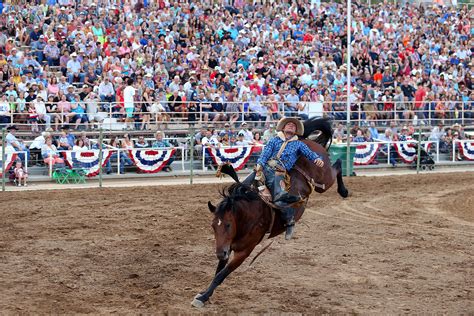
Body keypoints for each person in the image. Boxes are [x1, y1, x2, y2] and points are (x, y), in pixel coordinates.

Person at [254, 117, 324, 240]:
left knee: (279, 196)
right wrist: (259, 165)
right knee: (247, 183)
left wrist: (317, 159)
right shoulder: (274, 140)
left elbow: (310, 153)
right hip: (266, 167)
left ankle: (290, 220)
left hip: (279, 171)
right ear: (283, 128)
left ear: (296, 130)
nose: (291, 126)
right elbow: (265, 155)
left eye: (294, 125)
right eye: (289, 124)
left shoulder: (298, 144)